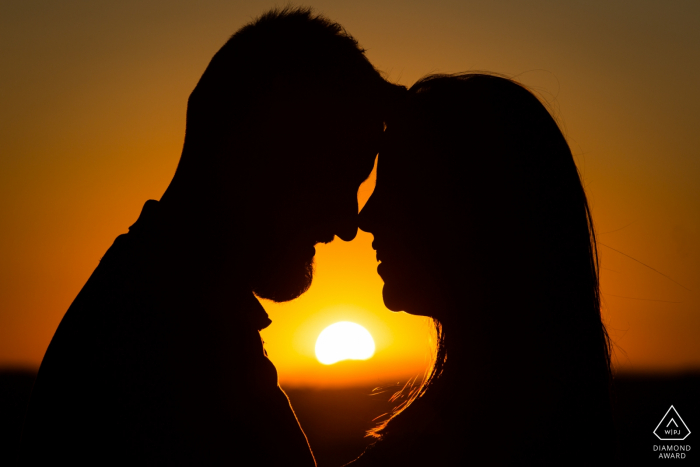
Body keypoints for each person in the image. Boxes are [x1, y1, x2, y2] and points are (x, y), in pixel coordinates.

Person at [19, 7, 402, 466]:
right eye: (337, 178)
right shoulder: (168, 355)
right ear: (263, 147)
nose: (347, 223)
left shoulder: (164, 311)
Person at [352, 74, 616, 465]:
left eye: (397, 185)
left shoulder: (468, 443)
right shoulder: (551, 419)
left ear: (473, 207)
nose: (366, 216)